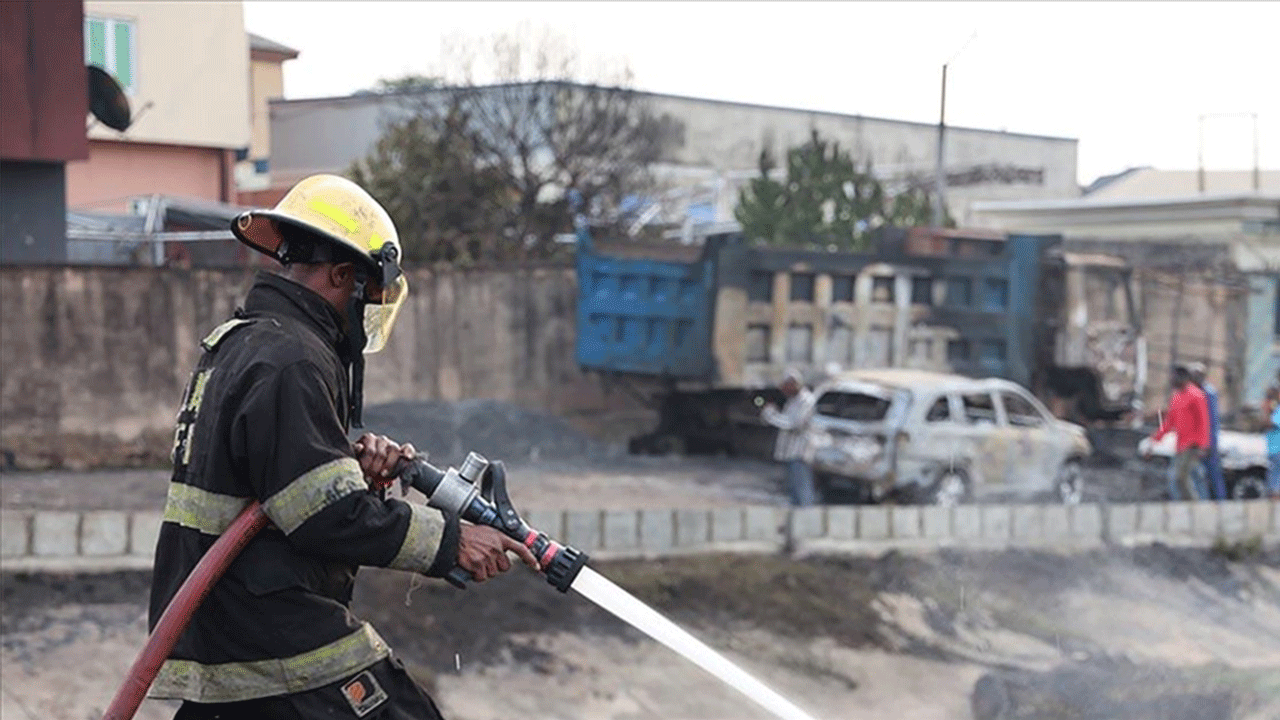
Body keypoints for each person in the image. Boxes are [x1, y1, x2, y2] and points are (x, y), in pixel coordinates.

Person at [148, 174, 539, 720]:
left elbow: (281, 485)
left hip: (226, 629)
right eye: (369, 292)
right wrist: (453, 540)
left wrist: (354, 472)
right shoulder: (291, 358)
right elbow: (324, 515)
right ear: (340, 277)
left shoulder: (245, 342)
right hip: (270, 631)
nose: (368, 310)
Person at [1145, 364, 1211, 501]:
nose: (1171, 379)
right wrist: (1155, 438)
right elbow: (1169, 422)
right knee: (1188, 476)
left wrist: (1203, 445)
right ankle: (1191, 504)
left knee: (1180, 477)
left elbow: (1203, 421)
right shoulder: (1176, 397)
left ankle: (1193, 505)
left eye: (1174, 376)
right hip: (1181, 444)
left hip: (1193, 445)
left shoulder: (1196, 395)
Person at [761, 369, 817, 506]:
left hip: (799, 453)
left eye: (786, 386)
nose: (783, 390)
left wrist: (771, 416)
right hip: (790, 453)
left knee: (802, 491)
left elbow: (793, 424)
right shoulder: (793, 401)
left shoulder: (806, 400)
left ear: (794, 384)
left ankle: (807, 520)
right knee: (793, 491)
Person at [1188, 362, 1226, 500]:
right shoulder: (1195, 392)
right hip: (1198, 440)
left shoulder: (1208, 393)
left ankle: (1220, 501)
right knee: (1198, 473)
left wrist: (1207, 443)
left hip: (1208, 441)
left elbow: (1210, 420)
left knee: (1213, 472)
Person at [1266, 385, 1280, 500]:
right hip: (1273, 448)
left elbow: (1271, 423)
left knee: (1275, 476)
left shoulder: (1277, 410)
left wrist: (1268, 411)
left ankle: (1275, 498)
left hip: (1277, 449)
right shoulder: (1276, 409)